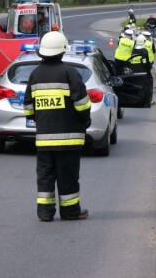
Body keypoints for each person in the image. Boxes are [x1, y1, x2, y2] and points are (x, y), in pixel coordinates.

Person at [24, 31, 91, 222]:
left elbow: (28, 107)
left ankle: (45, 212)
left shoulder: (35, 75)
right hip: (69, 138)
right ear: (62, 51)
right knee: (67, 176)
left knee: (45, 175)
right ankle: (70, 212)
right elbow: (82, 104)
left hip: (44, 139)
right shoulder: (70, 73)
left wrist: (40, 120)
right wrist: (85, 121)